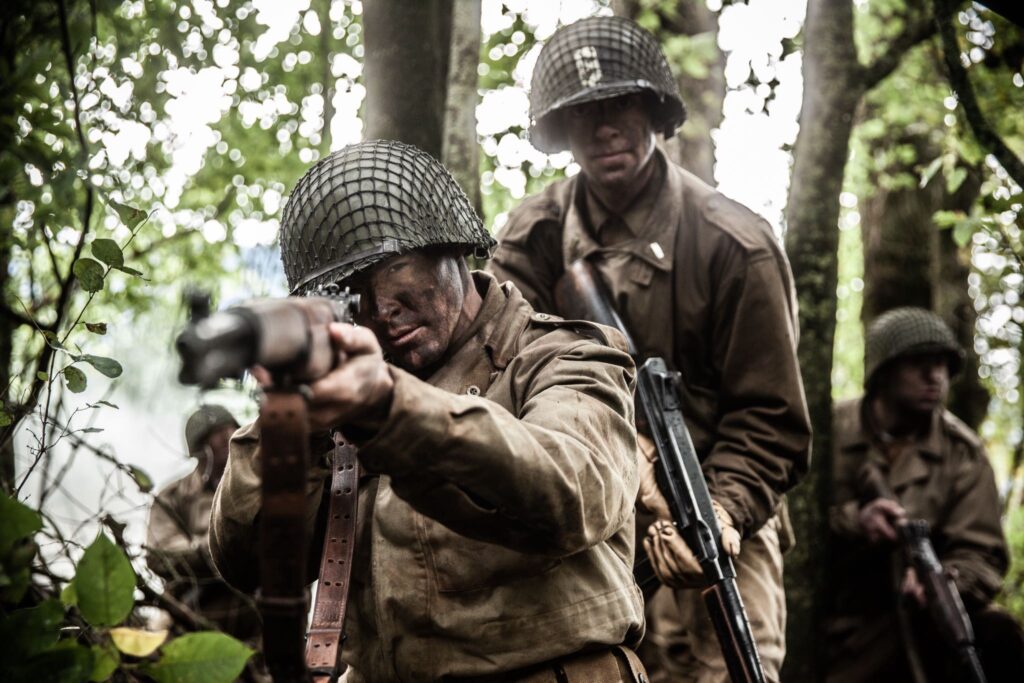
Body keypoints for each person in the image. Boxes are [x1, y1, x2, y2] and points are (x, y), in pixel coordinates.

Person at [209, 140, 649, 682]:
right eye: (350, 291)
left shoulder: (563, 358)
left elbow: (574, 492)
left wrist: (388, 407)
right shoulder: (338, 407)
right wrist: (295, 427)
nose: (379, 308)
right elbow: (244, 562)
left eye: (395, 266)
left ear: (452, 248)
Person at [488, 16, 811, 682]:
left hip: (720, 503)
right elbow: (499, 370)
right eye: (582, 112)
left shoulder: (735, 244)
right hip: (591, 508)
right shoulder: (531, 239)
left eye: (620, 104)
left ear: (655, 110)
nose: (603, 126)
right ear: (559, 130)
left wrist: (717, 511)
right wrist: (624, 454)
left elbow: (770, 419)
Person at [827, 306, 1024, 683]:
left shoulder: (962, 451)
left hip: (923, 616)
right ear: (883, 373)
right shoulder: (830, 431)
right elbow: (792, 517)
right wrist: (855, 521)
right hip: (843, 611)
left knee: (998, 632)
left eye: (942, 365)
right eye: (918, 364)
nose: (935, 376)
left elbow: (982, 551)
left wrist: (949, 579)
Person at [147, 404, 260, 642]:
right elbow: (160, 552)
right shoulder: (173, 495)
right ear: (199, 449)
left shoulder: (263, 485)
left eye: (231, 430)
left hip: (260, 621)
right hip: (194, 619)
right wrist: (218, 549)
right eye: (217, 435)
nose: (227, 438)